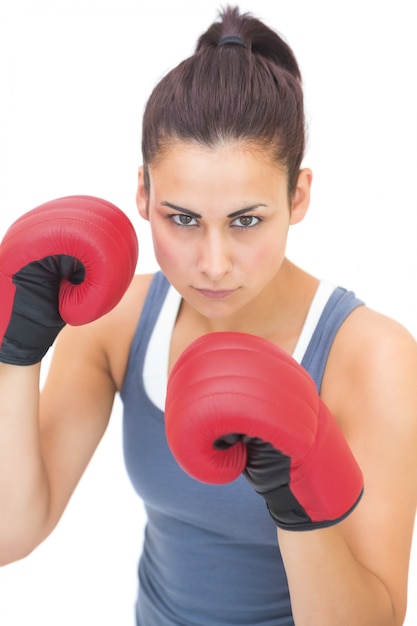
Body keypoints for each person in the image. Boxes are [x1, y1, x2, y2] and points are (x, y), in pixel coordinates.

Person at [0, 5, 416, 625]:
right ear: (142, 193)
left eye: (246, 220)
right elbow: (13, 534)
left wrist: (296, 505)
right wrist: (16, 353)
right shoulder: (117, 324)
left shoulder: (373, 357)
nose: (213, 264)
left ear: (297, 196)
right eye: (183, 218)